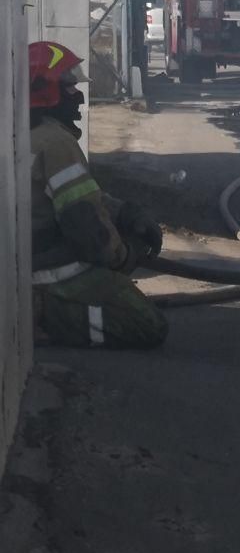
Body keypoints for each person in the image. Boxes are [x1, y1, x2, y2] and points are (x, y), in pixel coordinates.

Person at [28, 41, 168, 349]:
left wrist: (125, 213)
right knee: (144, 324)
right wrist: (123, 257)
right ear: (45, 92)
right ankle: (41, 315)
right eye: (68, 88)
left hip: (32, 263)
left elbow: (80, 196)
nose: (77, 96)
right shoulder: (55, 143)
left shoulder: (31, 135)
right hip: (49, 272)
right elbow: (86, 225)